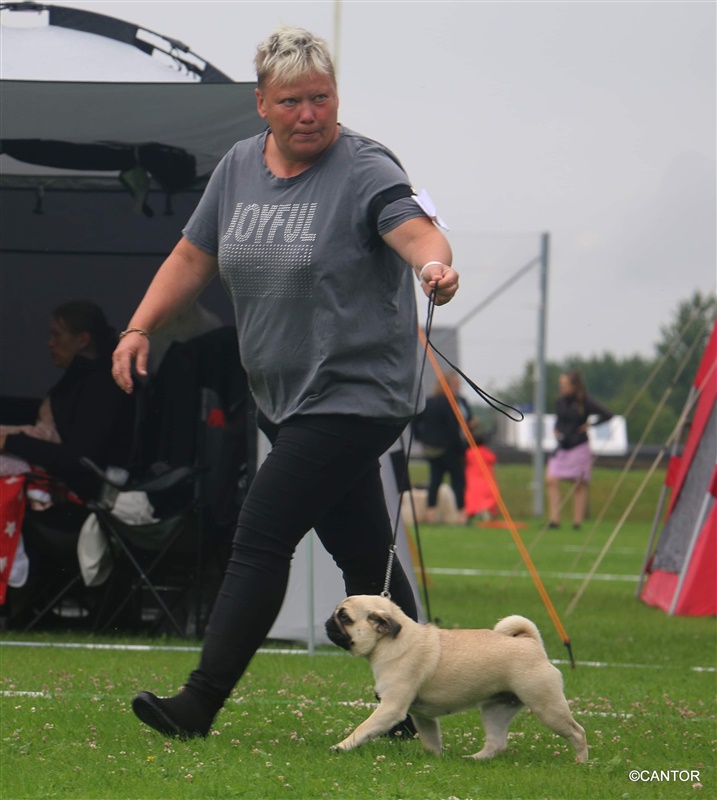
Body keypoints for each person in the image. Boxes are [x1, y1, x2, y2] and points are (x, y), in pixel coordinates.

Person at [111, 26, 459, 739]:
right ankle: (414, 709)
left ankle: (198, 704)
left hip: (355, 396)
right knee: (363, 556)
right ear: (262, 104)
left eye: (321, 98)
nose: (309, 114)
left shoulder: (365, 167)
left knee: (261, 536)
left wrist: (434, 265)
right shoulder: (239, 166)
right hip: (282, 397)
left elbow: (415, 227)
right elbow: (192, 255)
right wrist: (139, 326)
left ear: (337, 98)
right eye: (292, 101)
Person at [0, 300, 134, 501]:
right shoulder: (78, 380)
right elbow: (43, 413)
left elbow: (79, 458)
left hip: (75, 490)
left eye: (57, 335)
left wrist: (9, 442)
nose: (50, 343)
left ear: (82, 340)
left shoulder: (102, 386)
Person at [546, 369, 613, 529]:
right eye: (561, 384)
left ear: (574, 386)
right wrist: (556, 429)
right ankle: (554, 520)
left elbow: (607, 414)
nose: (562, 387)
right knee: (551, 479)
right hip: (563, 446)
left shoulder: (585, 401)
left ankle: (577, 522)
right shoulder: (560, 401)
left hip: (579, 445)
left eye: (565, 384)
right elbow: (559, 419)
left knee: (579, 483)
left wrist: (590, 424)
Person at [414, 371, 476, 524]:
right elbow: (452, 428)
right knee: (457, 480)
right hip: (449, 448)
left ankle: (432, 513)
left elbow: (415, 421)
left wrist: (420, 437)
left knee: (436, 479)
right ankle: (460, 514)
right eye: (454, 384)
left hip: (433, 448)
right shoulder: (446, 403)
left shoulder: (433, 402)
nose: (457, 387)